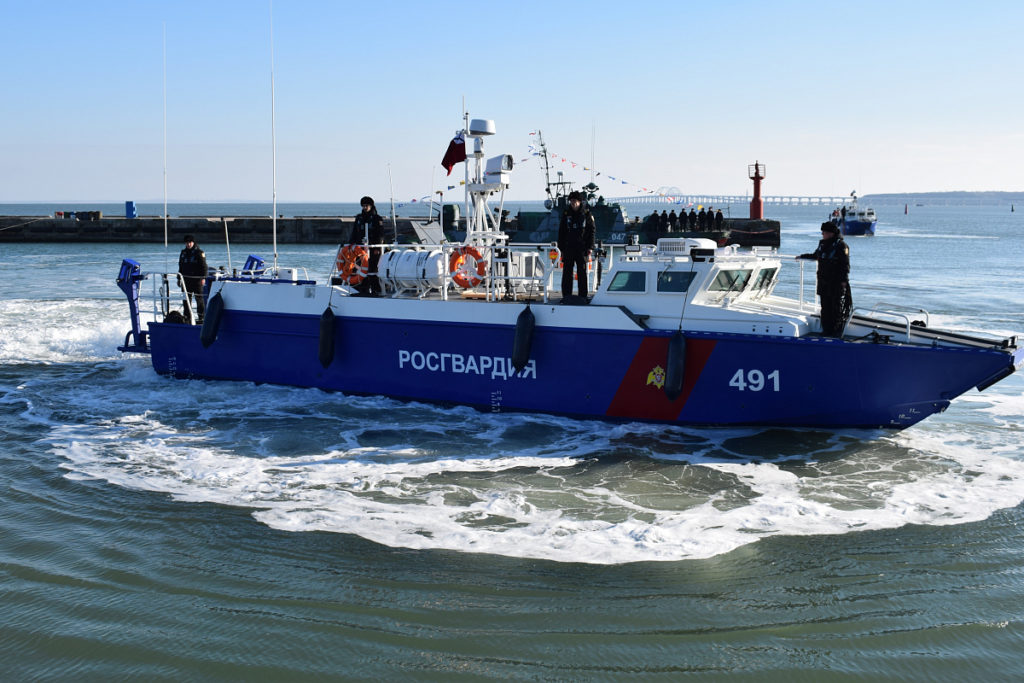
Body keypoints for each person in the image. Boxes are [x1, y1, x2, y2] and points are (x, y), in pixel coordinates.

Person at [799, 221, 852, 338]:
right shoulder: (823, 245)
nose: (822, 234)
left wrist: (844, 280)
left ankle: (836, 331)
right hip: (823, 282)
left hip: (836, 282)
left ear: (831, 233)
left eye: (825, 232)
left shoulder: (841, 246)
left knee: (836, 307)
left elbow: (845, 265)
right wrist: (802, 256)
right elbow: (816, 255)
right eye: (822, 232)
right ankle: (826, 330)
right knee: (825, 307)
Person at [558, 190, 596, 301]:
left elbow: (592, 230)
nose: (573, 203)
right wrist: (561, 249)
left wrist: (590, 247)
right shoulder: (566, 214)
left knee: (582, 272)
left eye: (575, 201)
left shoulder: (586, 214)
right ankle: (566, 295)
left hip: (582, 248)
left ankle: (583, 296)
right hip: (569, 247)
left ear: (579, 202)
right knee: (567, 272)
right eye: (571, 201)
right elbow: (562, 232)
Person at [352, 195, 385, 295]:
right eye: (363, 206)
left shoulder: (377, 219)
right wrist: (351, 245)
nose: (365, 208)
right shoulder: (359, 218)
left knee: (372, 269)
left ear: (371, 206)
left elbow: (380, 235)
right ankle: (363, 289)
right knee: (360, 269)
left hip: (373, 249)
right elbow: (354, 233)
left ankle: (376, 290)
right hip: (360, 249)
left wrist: (377, 248)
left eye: (366, 205)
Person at [178, 234, 207, 323]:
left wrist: (203, 278)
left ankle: (201, 317)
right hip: (185, 280)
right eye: (187, 243)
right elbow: (180, 266)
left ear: (193, 242)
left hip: (197, 280)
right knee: (186, 300)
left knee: (199, 299)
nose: (188, 244)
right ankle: (187, 317)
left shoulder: (199, 253)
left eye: (190, 242)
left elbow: (204, 267)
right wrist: (178, 278)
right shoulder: (183, 253)